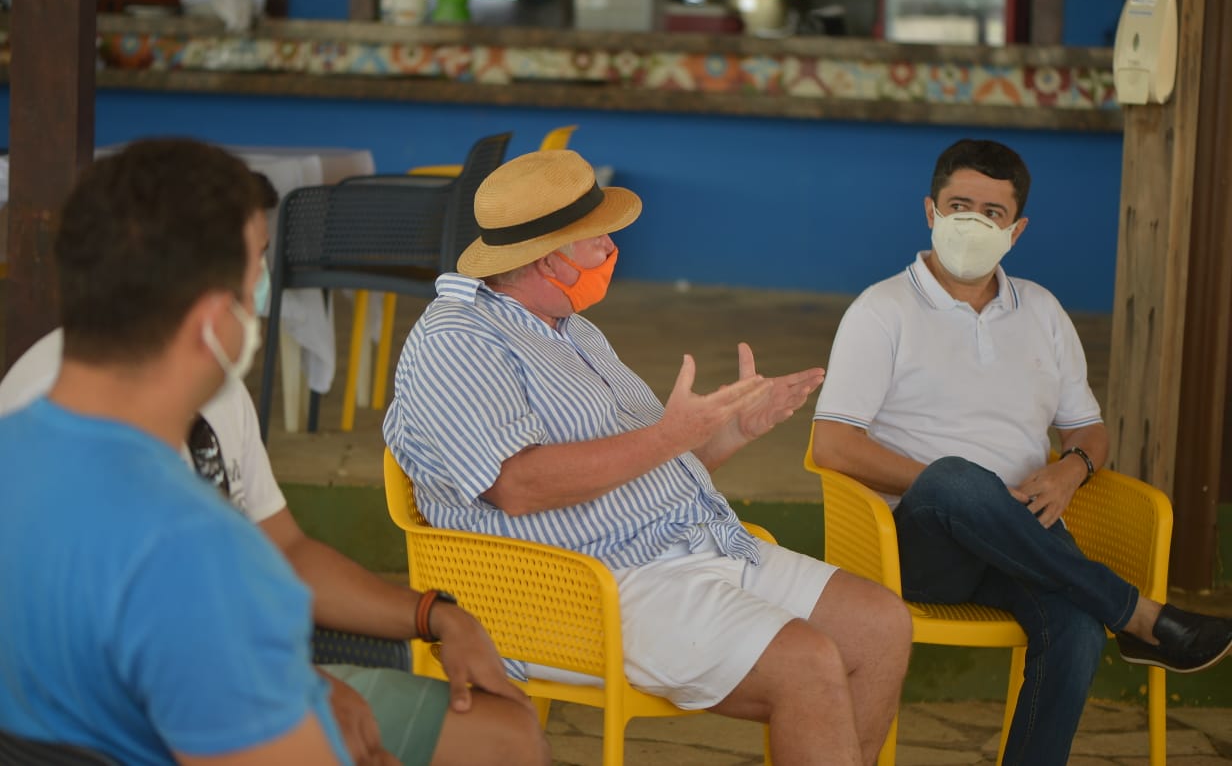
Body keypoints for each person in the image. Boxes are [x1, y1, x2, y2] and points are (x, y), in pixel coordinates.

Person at [383, 149, 914, 766]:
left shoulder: (570, 326)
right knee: (808, 664)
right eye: (598, 238)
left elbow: (641, 475)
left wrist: (731, 432)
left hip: (686, 545)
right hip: (585, 584)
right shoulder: (456, 341)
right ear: (551, 256)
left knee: (881, 626)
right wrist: (670, 435)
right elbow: (517, 486)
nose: (612, 248)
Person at [0, 169, 549, 766]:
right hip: (164, 720)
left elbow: (281, 549)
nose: (264, 289)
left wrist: (435, 614)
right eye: (256, 263)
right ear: (207, 308)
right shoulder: (127, 490)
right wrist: (302, 692)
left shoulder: (180, 396)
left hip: (222, 684)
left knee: (509, 733)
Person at [811, 138, 1232, 766]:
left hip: (1022, 544)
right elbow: (832, 444)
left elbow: (1088, 431)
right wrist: (961, 494)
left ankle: (1108, 618)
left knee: (1076, 625)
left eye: (992, 213)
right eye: (959, 205)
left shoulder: (1042, 311)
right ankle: (1137, 614)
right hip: (913, 550)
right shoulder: (882, 311)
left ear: (1017, 229)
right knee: (958, 479)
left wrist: (1072, 470)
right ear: (930, 211)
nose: (973, 223)